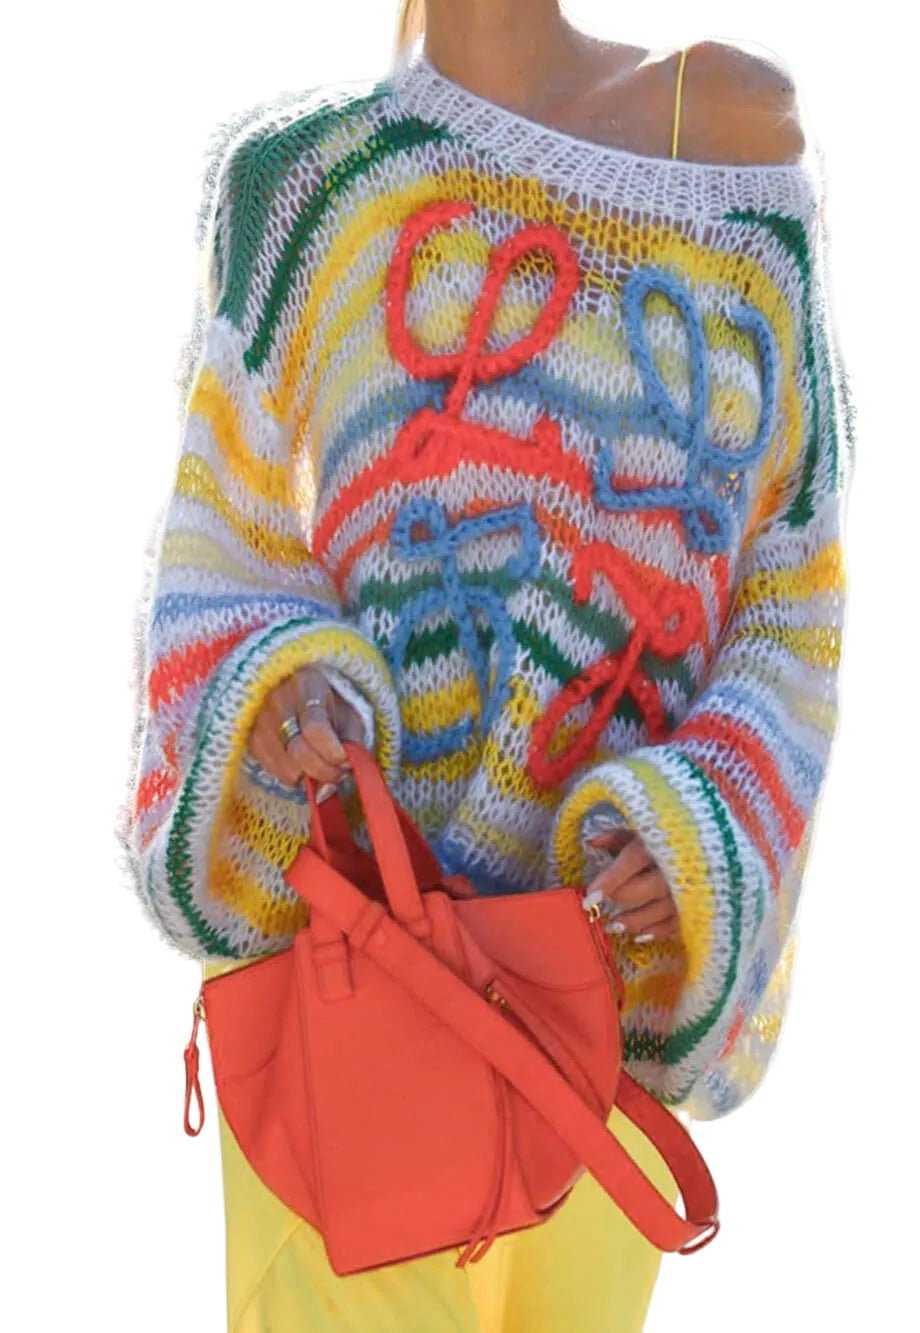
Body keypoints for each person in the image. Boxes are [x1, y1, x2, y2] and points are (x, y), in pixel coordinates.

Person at [119, 0, 852, 1328]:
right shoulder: (301, 183)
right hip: (348, 979)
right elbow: (222, 543)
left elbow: (790, 601)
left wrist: (697, 827)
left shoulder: (726, 121)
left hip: (599, 1002)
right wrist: (283, 683)